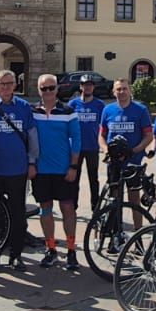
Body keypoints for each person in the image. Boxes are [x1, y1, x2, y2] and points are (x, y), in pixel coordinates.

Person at [0, 69, 37, 271]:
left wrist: (32, 162)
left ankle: (16, 255)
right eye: (1, 84)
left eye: (9, 83)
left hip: (17, 169)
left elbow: (32, 137)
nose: (5, 87)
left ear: (15, 85)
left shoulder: (23, 107)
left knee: (18, 214)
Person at [32, 74, 82, 270]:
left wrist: (73, 166)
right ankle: (51, 248)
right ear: (38, 90)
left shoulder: (68, 111)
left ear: (57, 89)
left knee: (68, 209)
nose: (48, 92)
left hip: (63, 170)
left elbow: (77, 140)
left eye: (51, 88)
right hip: (41, 170)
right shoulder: (33, 111)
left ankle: (71, 250)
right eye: (44, 89)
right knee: (45, 209)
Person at [101, 78, 153, 229]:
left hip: (133, 161)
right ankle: (115, 232)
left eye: (124, 89)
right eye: (118, 89)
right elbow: (101, 135)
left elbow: (148, 136)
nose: (121, 92)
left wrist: (134, 150)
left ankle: (138, 235)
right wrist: (106, 150)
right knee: (114, 197)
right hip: (114, 161)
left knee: (134, 199)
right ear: (113, 92)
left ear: (130, 91)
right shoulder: (107, 110)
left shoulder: (140, 110)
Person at [68, 75, 106, 210]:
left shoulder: (99, 105)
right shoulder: (73, 104)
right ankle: (73, 205)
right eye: (85, 84)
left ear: (93, 87)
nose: (87, 87)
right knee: (74, 178)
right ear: (80, 86)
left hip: (92, 146)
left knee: (93, 178)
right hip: (76, 148)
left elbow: (104, 125)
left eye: (90, 85)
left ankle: (95, 206)